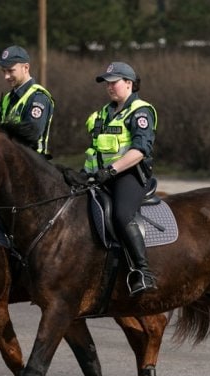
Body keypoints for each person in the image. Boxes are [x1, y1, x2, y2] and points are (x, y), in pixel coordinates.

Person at [84, 61, 158, 296]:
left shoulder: (141, 111)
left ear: (129, 83)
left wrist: (112, 170)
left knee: (121, 214)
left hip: (130, 176)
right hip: (100, 177)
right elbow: (95, 150)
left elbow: (139, 151)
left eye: (113, 82)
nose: (109, 87)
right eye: (106, 83)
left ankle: (142, 272)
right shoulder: (102, 114)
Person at [0, 45, 54, 156]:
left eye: (11, 71)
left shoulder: (38, 97)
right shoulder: (7, 98)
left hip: (33, 166)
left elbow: (31, 134)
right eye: (4, 71)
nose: (6, 76)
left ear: (26, 68)